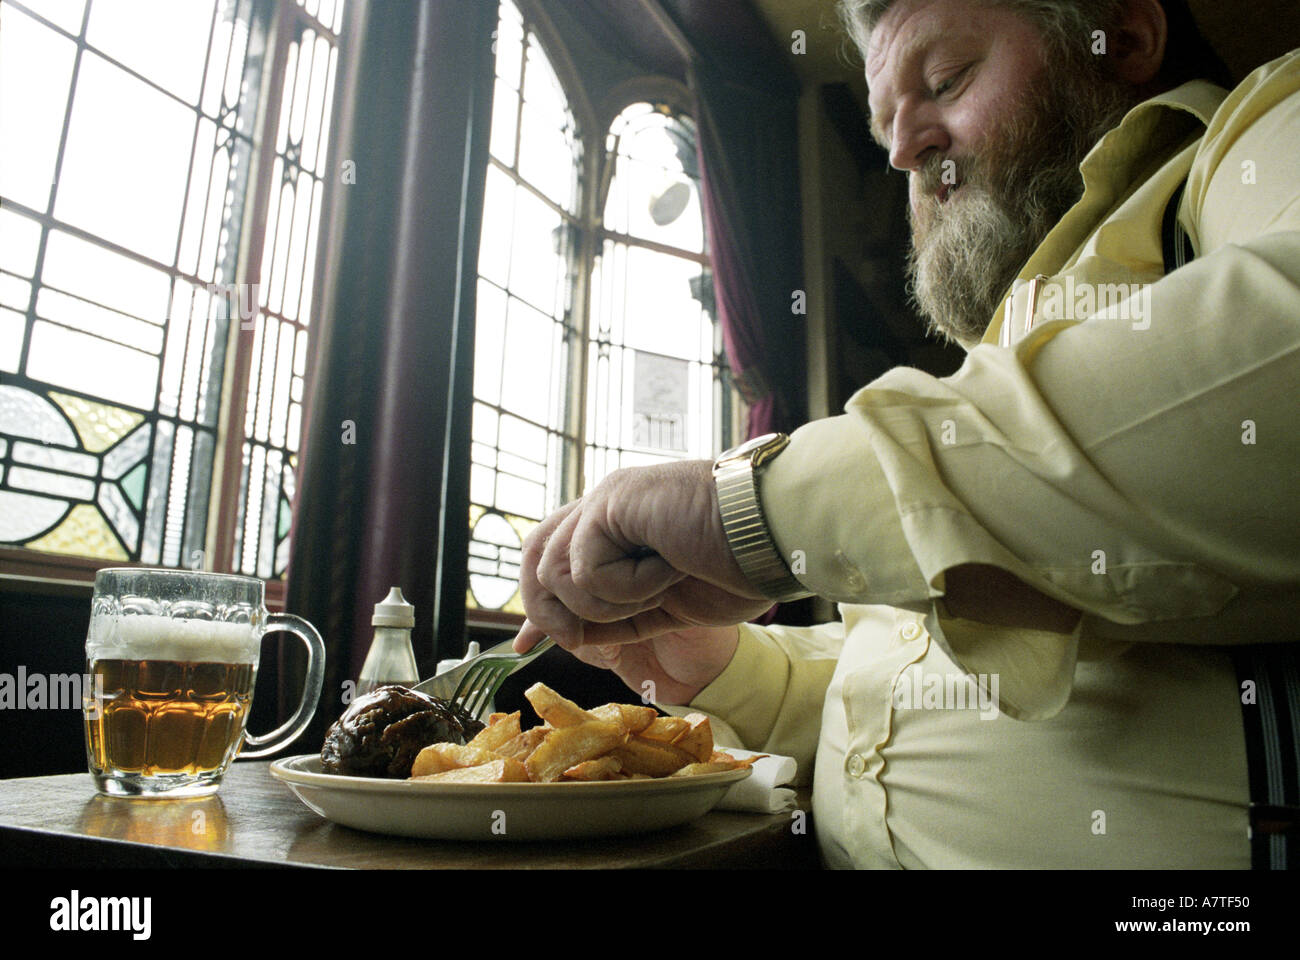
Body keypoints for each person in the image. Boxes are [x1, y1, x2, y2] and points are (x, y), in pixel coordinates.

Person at [513, 0, 1300, 868]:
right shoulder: (994, 373)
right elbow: (911, 680)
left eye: (946, 81)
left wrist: (748, 510)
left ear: (1128, 38)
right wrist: (725, 668)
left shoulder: (1255, 135)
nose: (900, 150)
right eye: (884, 123)